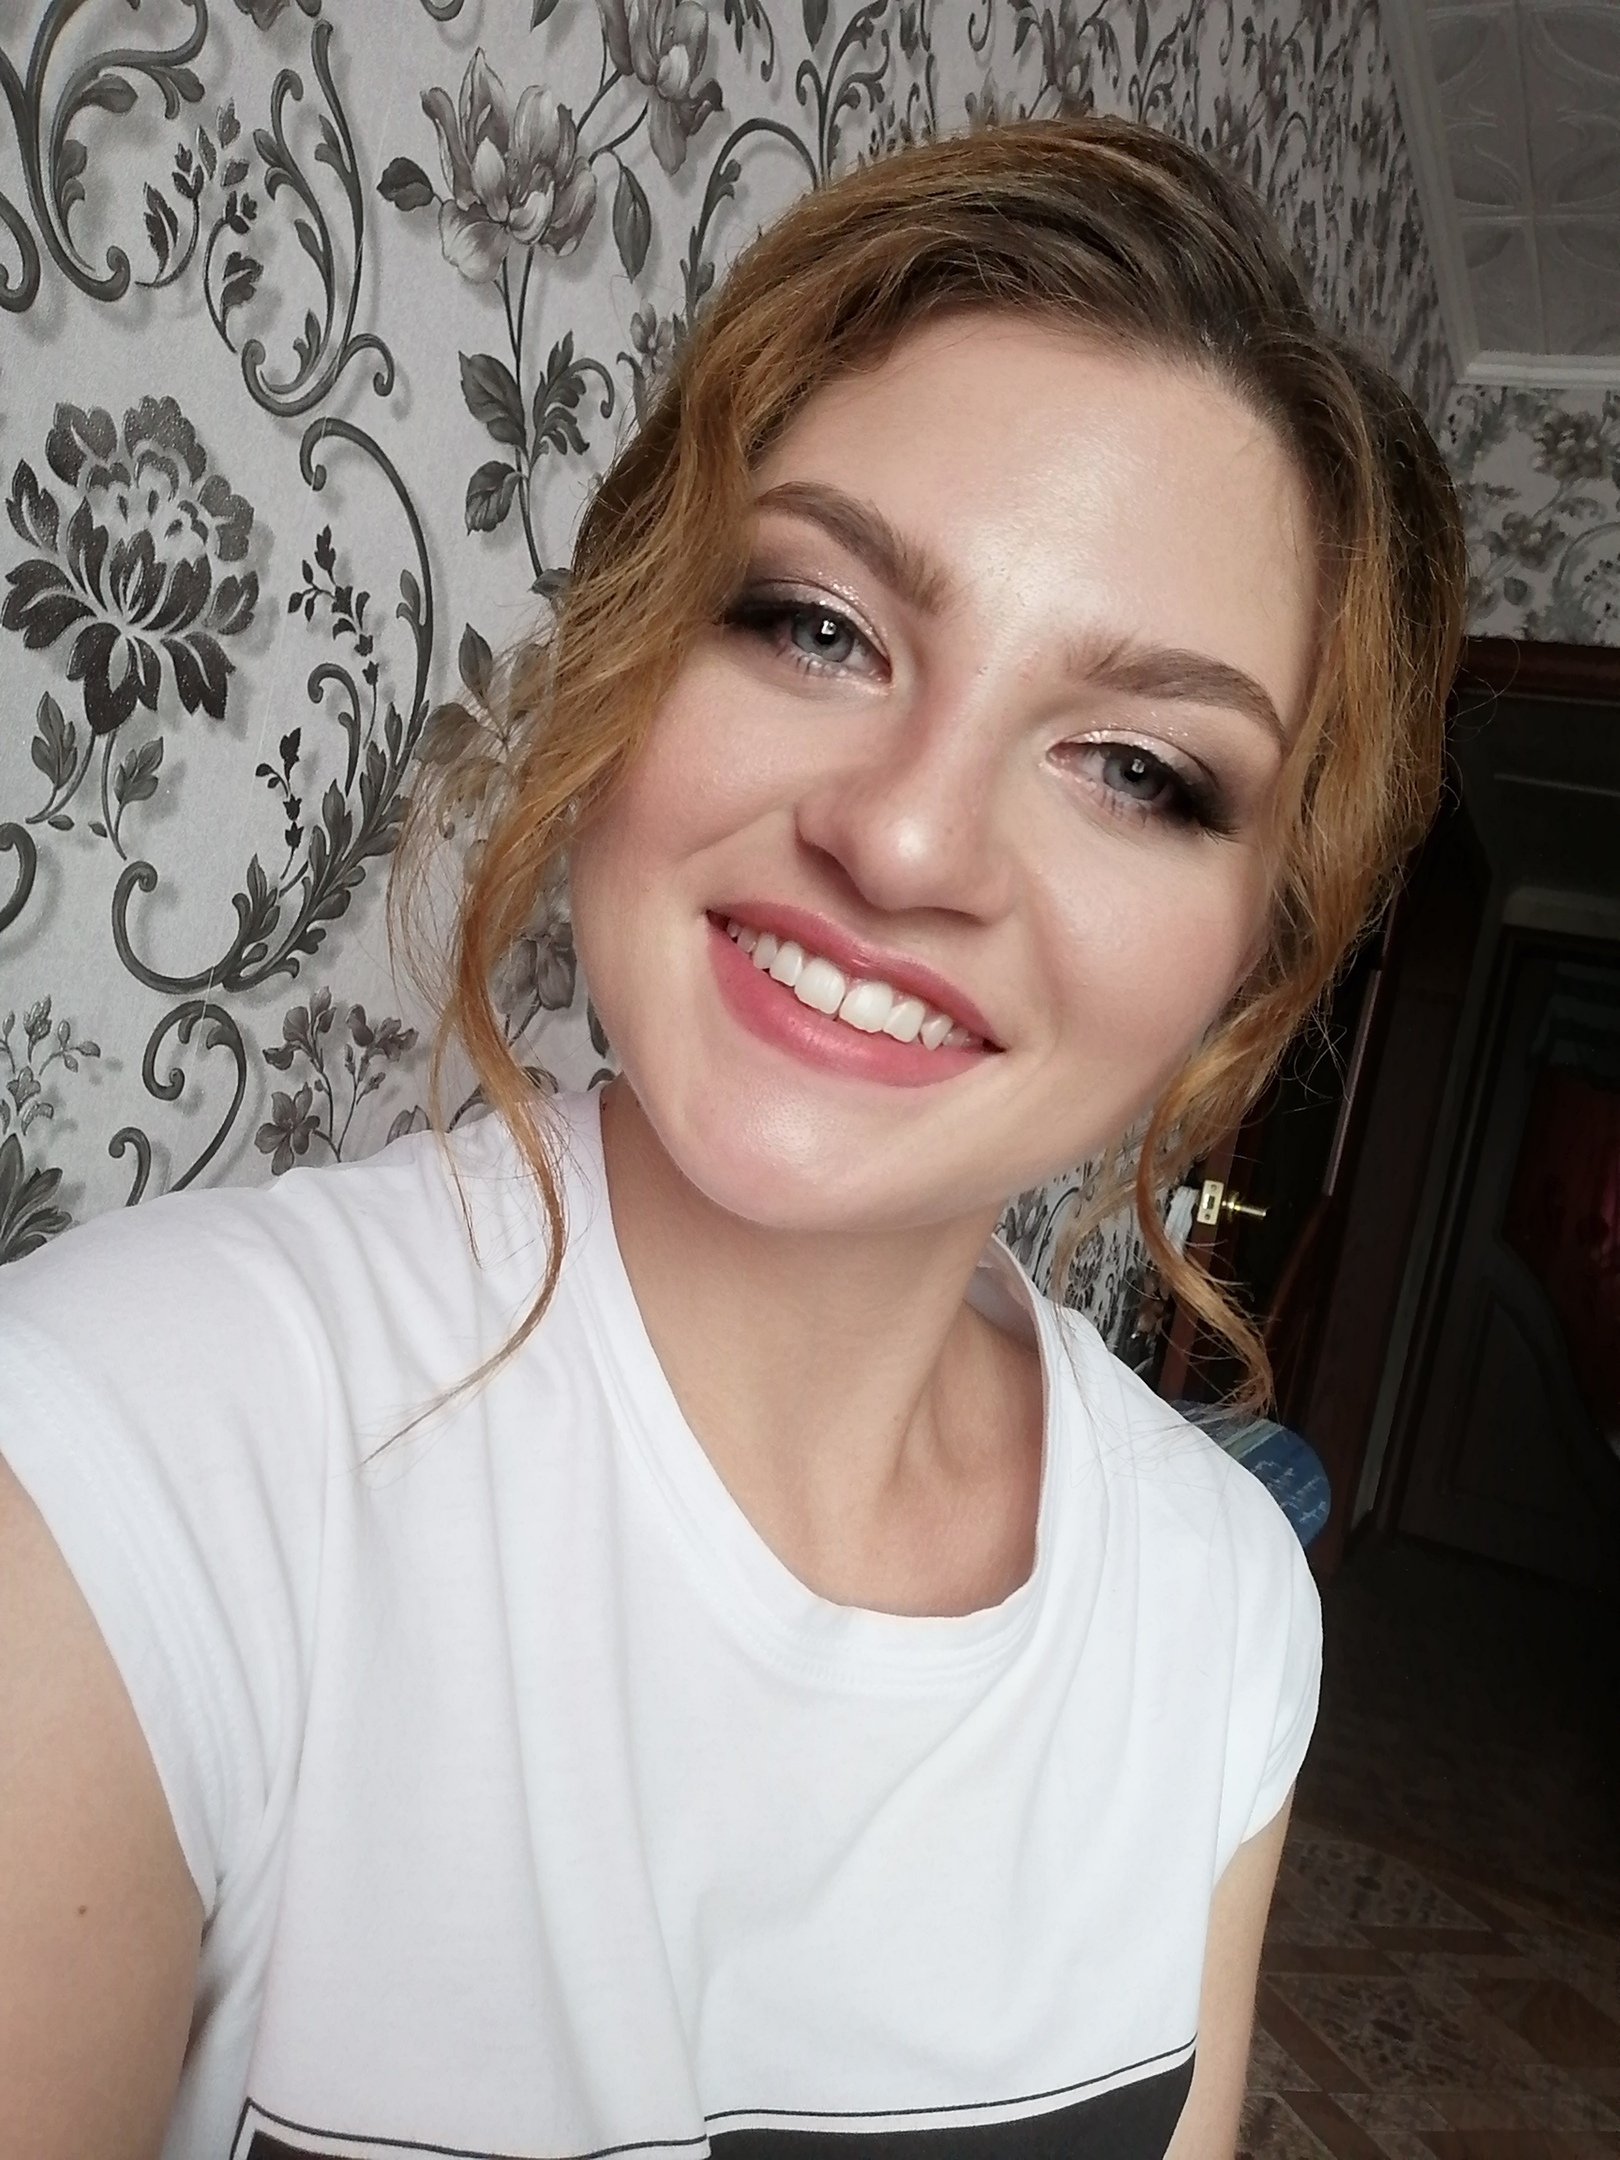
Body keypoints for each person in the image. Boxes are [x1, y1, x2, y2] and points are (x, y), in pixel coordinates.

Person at [0, 115, 1466, 2160]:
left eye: (1138, 768)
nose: (908, 837)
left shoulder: (1224, 1607)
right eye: (814, 623)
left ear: (1252, 946)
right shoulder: (136, 1454)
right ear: (632, 640)